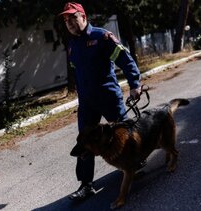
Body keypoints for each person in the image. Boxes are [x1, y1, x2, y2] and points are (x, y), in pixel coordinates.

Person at [58, 2, 142, 201]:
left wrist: (135, 83)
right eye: (66, 20)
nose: (69, 23)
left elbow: (124, 58)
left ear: (84, 17)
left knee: (124, 131)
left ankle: (134, 163)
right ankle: (86, 184)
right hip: (87, 103)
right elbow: (76, 71)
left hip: (108, 97)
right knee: (84, 141)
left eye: (73, 18)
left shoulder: (101, 37)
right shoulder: (72, 45)